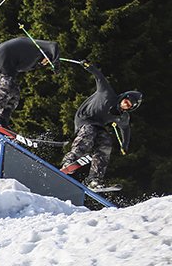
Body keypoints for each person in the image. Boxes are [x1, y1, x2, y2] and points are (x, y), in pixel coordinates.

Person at [59, 62, 142, 190]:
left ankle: (94, 179)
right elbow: (99, 77)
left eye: (129, 106)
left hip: (99, 125)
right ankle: (69, 161)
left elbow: (125, 129)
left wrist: (124, 145)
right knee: (89, 134)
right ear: (123, 97)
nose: (126, 106)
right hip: (85, 119)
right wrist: (89, 67)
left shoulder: (122, 116)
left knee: (106, 143)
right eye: (126, 102)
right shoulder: (107, 94)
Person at [0, 36, 60, 127]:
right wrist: (56, 64)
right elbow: (54, 45)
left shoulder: (33, 57)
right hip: (3, 60)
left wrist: (41, 64)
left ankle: (1, 119)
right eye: (47, 61)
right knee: (6, 90)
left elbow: (24, 66)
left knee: (14, 94)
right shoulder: (40, 47)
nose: (46, 63)